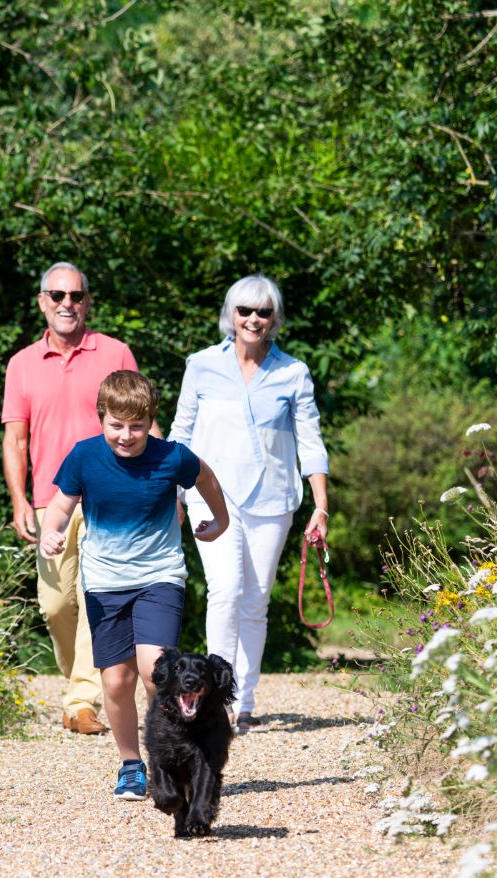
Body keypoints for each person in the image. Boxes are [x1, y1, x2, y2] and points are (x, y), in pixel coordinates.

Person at [39, 370, 228, 799]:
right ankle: (130, 765)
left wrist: (220, 519)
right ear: (101, 418)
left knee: (154, 670)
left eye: (137, 426)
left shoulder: (171, 457)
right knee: (115, 683)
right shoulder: (84, 457)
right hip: (105, 583)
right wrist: (53, 531)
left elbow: (207, 479)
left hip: (159, 576)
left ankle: (173, 757)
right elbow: (61, 505)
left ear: (150, 421)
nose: (127, 436)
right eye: (117, 426)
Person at [168, 275, 329, 733]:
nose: (253, 319)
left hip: (272, 500)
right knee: (224, 589)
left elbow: (311, 443)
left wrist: (320, 506)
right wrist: (174, 492)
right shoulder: (201, 366)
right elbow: (181, 434)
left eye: (263, 312)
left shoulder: (292, 372)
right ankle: (213, 700)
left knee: (254, 601)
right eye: (245, 311)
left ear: (274, 318)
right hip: (208, 494)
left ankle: (245, 700)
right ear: (230, 315)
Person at [2, 262, 142, 735]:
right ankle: (78, 684)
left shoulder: (115, 352)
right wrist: (20, 500)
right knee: (56, 604)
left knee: (96, 597)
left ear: (88, 302)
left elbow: (140, 423)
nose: (68, 304)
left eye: (76, 296)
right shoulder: (21, 364)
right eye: (58, 295)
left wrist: (165, 486)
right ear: (42, 301)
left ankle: (83, 699)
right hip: (50, 501)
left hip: (111, 496)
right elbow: (15, 441)